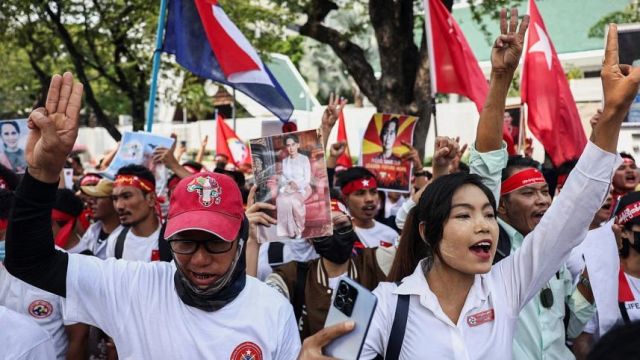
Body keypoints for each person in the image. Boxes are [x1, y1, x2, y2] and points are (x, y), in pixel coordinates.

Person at [361, 14, 639, 360]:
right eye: (464, 215)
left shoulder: (504, 286)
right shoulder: (386, 306)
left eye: (489, 214)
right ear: (427, 231)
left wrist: (614, 111)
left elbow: (572, 212)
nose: (484, 226)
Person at [4, 71, 302, 358]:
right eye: (185, 242)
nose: (199, 259)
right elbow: (29, 261)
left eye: (215, 242)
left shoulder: (272, 311)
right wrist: (44, 172)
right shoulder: (134, 288)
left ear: (240, 238)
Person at [249, 196, 388, 339]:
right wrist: (252, 242)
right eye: (323, 229)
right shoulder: (292, 276)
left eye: (340, 225)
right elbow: (255, 309)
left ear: (352, 226)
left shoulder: (376, 260)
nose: (333, 234)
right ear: (310, 239)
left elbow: (409, 246)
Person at [106, 164, 163, 261]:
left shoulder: (173, 241)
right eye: (115, 198)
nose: (119, 206)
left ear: (151, 199)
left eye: (126, 196)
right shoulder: (115, 242)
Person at [336, 167, 398, 248]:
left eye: (373, 192)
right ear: (345, 198)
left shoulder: (391, 235)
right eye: (360, 193)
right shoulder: (337, 236)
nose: (369, 199)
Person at [276, 133, 311, 239]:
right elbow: (284, 177)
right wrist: (286, 184)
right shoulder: (285, 161)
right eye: (288, 145)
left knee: (294, 201)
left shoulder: (304, 159)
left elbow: (307, 178)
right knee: (280, 200)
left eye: (293, 144)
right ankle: (287, 231)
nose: (291, 148)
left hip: (303, 187)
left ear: (298, 145)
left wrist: (297, 185)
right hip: (289, 188)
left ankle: (299, 228)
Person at [79, 179, 122, 259]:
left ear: (114, 201)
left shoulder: (126, 235)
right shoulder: (92, 230)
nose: (92, 202)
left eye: (98, 198)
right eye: (92, 198)